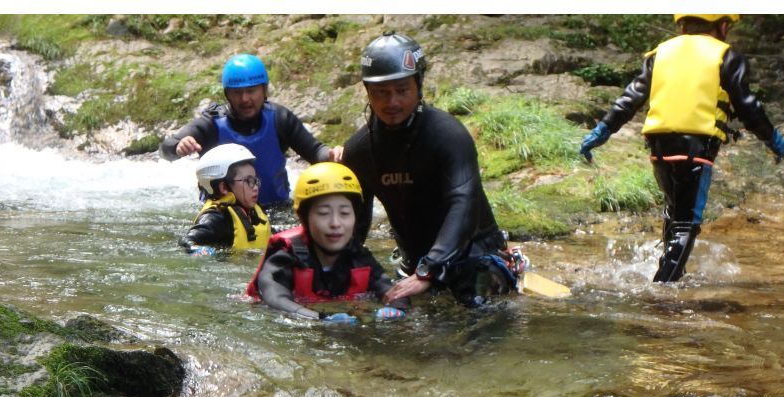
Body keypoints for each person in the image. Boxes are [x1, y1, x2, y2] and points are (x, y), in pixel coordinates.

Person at [580, 14, 784, 283]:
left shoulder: (661, 52)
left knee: (674, 210)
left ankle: (671, 273)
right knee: (685, 224)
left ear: (682, 25)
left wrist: (603, 131)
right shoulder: (726, 55)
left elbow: (630, 98)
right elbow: (748, 107)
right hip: (696, 147)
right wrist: (772, 139)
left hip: (658, 146)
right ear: (722, 25)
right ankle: (662, 289)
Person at [341, 32, 520, 307]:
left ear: (419, 84)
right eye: (381, 93)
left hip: (474, 256)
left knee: (477, 313)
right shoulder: (359, 150)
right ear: (367, 91)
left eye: (402, 90)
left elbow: (464, 204)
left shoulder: (448, 135)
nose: (392, 103)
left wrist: (430, 269)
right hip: (413, 264)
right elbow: (355, 227)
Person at [160, 53, 343, 209]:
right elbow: (166, 149)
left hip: (275, 210)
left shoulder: (280, 119)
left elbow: (315, 152)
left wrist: (330, 155)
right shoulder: (211, 124)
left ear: (264, 90)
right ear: (227, 95)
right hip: (224, 213)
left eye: (251, 90)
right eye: (237, 93)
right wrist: (178, 146)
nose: (245, 98)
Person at [246, 162, 408, 323]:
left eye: (344, 213)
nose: (335, 223)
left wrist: (397, 308)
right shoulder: (284, 257)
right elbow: (275, 299)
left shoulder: (359, 257)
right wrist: (320, 319)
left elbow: (391, 290)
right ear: (303, 218)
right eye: (323, 213)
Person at [179, 143, 270, 255]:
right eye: (248, 181)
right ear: (224, 187)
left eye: (255, 181)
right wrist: (198, 250)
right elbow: (186, 241)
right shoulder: (216, 218)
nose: (255, 187)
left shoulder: (253, 211)